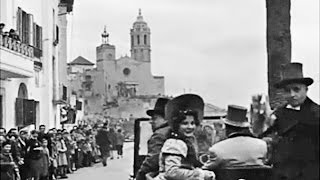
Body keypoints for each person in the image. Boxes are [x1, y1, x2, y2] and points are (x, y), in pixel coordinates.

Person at [261, 62, 319, 180]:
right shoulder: (277, 114)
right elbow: (263, 137)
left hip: (310, 174)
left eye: (296, 89)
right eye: (288, 90)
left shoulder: (317, 114)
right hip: (281, 174)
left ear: (306, 90)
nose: (292, 94)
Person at [154, 94, 215, 180]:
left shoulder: (188, 141)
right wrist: (201, 174)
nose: (190, 127)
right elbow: (171, 172)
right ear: (177, 125)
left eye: (192, 123)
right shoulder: (174, 143)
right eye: (185, 123)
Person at [202, 105, 268, 170]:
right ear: (245, 127)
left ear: (227, 128)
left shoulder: (216, 149)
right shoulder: (262, 146)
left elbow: (205, 171)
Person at [135, 98, 170, 180]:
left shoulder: (159, 135)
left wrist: (139, 176)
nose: (151, 121)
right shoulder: (179, 131)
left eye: (154, 118)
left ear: (165, 119)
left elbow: (152, 161)